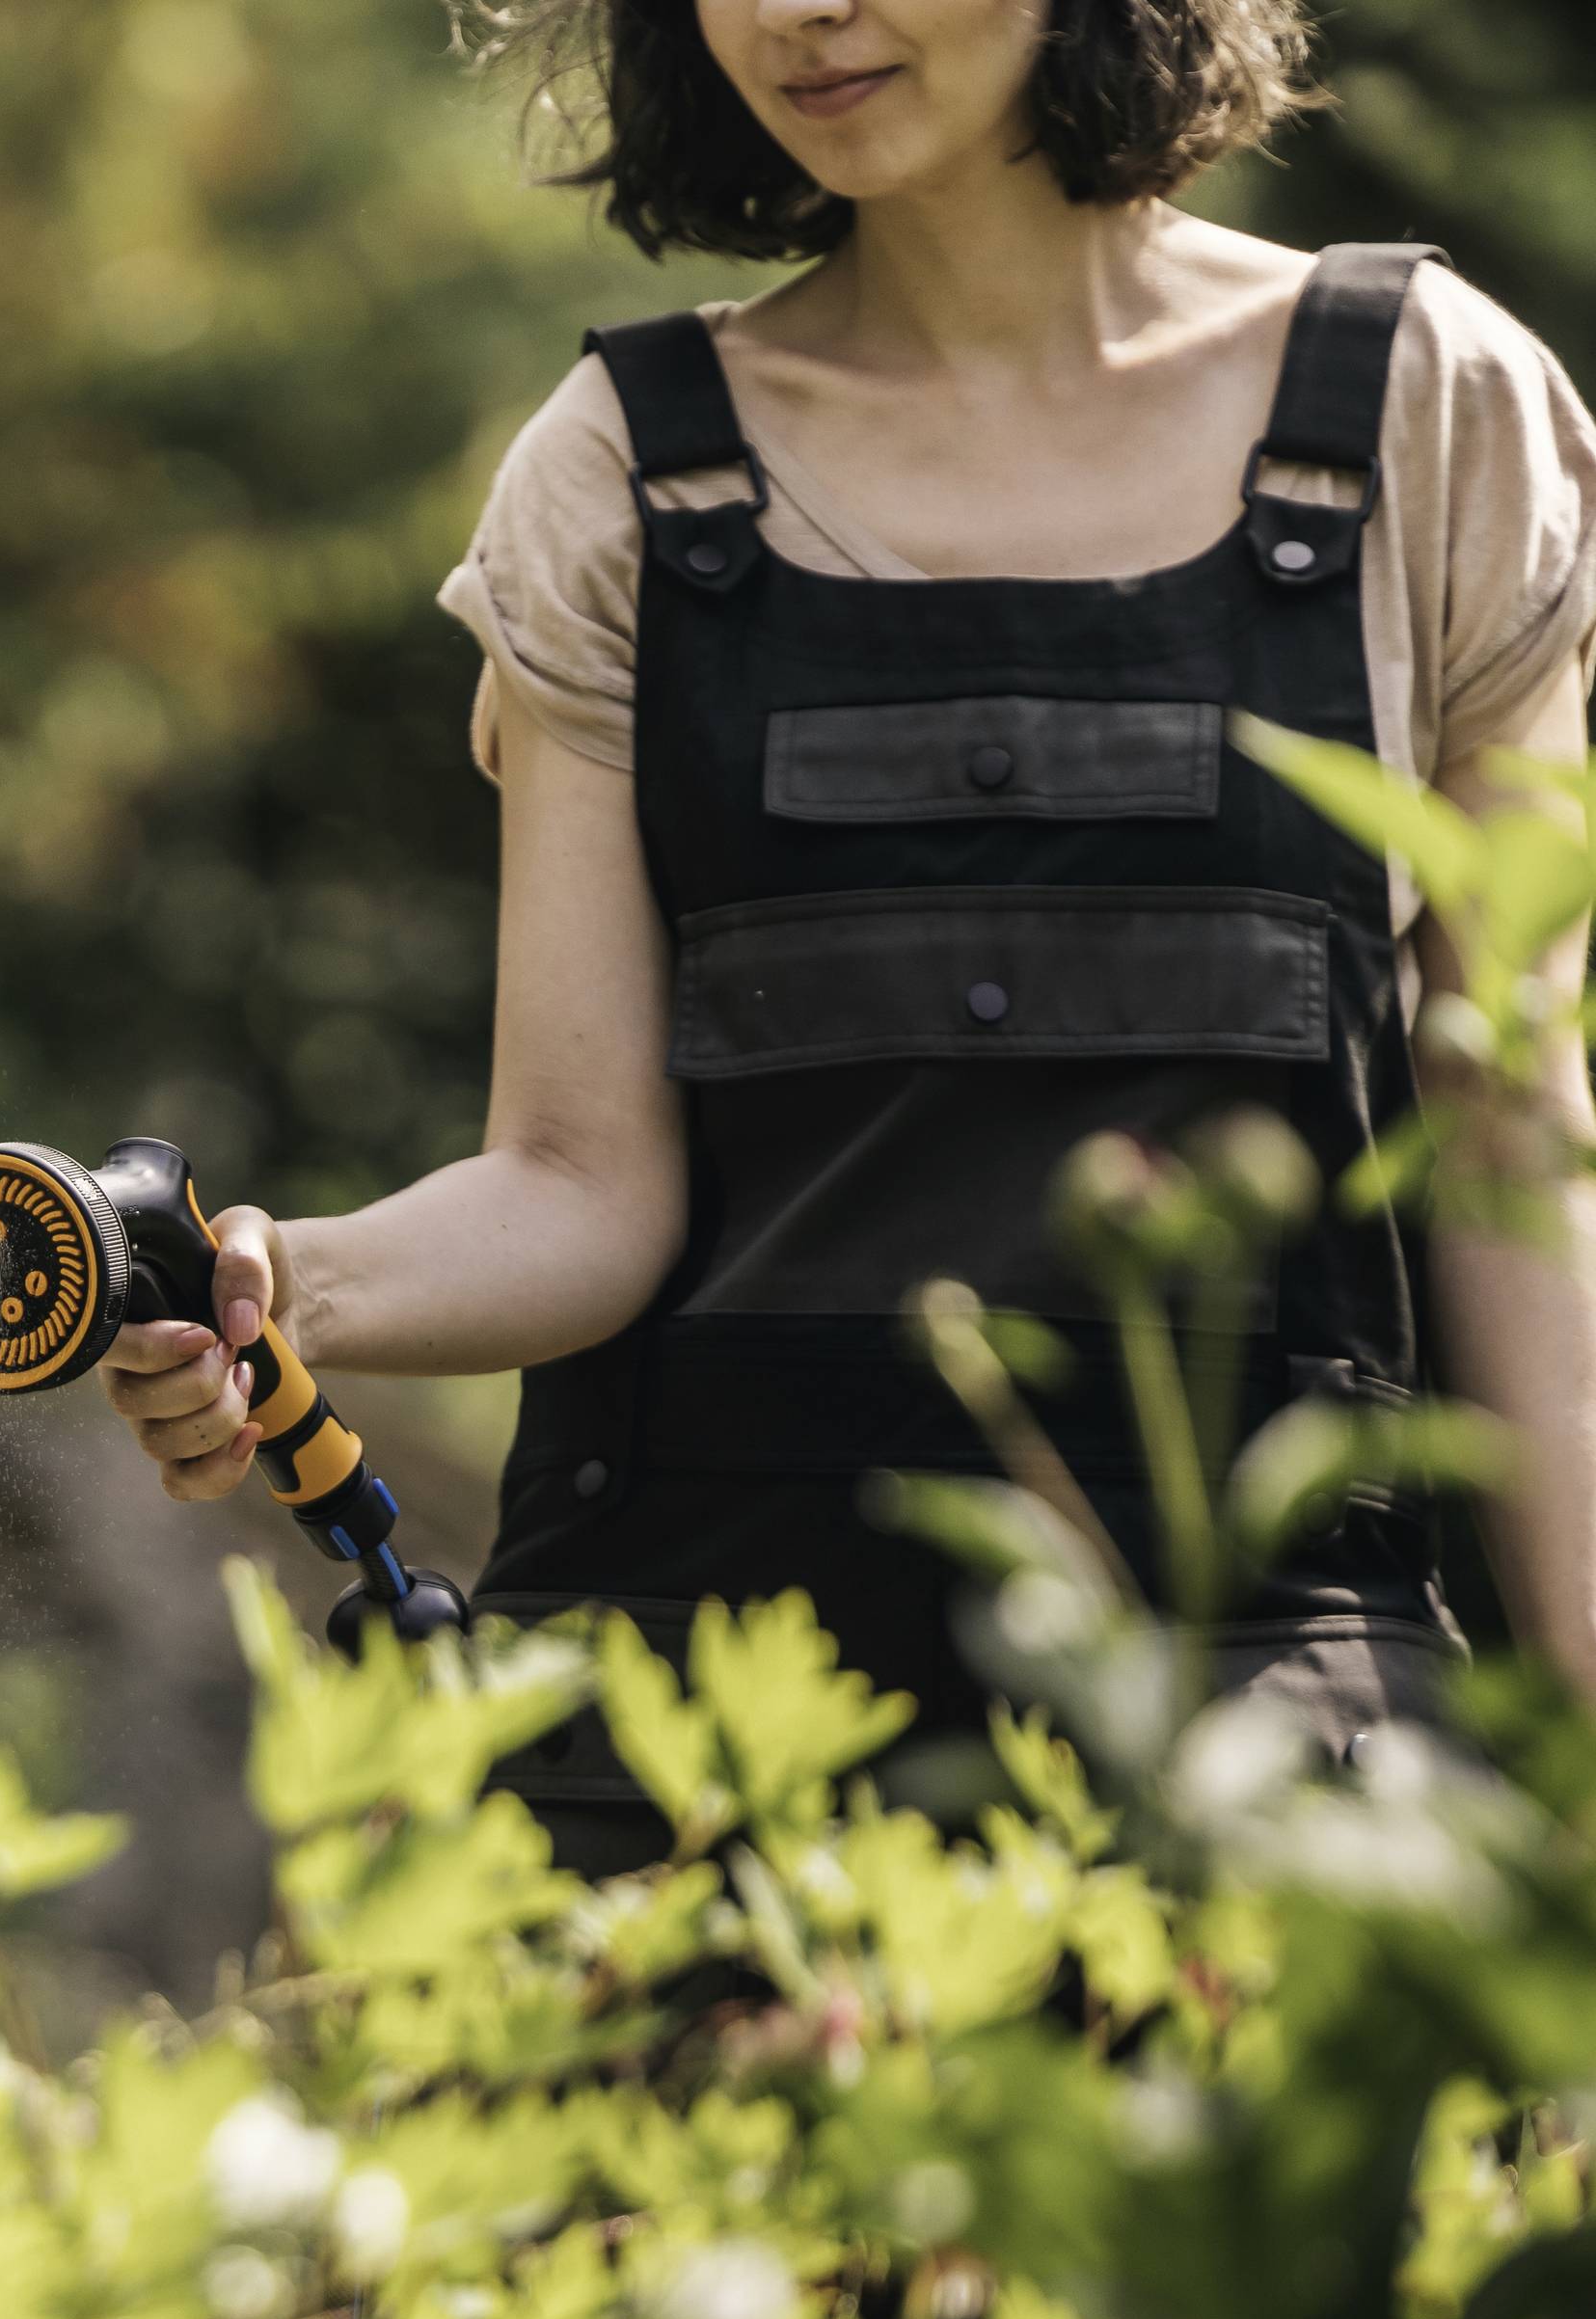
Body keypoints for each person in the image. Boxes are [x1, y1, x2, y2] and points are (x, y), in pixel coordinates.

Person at [99, 0, 1596, 1866]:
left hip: (1278, 1782)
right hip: (683, 1760)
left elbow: (1514, 1160)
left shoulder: (1426, 411)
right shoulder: (620, 473)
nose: (800, 10)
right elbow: (577, 1183)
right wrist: (288, 1294)